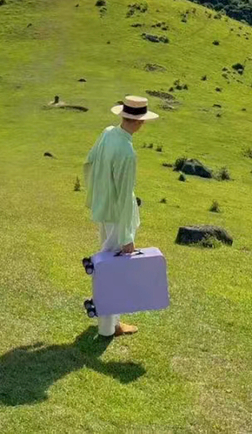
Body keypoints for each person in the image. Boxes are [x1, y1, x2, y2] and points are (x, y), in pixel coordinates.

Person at [83, 94, 159, 337]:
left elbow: (89, 162)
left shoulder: (107, 133)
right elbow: (126, 197)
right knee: (112, 270)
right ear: (140, 122)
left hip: (104, 209)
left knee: (106, 263)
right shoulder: (127, 152)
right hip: (117, 216)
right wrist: (127, 236)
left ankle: (110, 322)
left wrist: (98, 194)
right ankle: (108, 327)